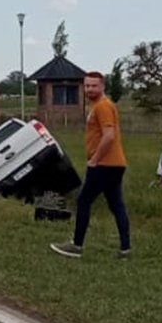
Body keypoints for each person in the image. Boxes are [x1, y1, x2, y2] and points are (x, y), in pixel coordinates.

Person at [51, 72, 131, 258]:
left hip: (105, 164)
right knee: (116, 204)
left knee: (83, 201)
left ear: (103, 86)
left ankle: (76, 246)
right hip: (115, 164)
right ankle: (125, 248)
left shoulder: (103, 106)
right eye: (87, 86)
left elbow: (109, 135)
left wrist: (95, 159)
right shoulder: (99, 106)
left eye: (94, 86)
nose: (89, 89)